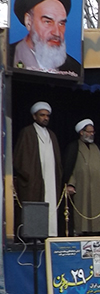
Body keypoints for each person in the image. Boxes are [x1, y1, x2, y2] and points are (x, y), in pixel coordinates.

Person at [9, 0, 80, 76]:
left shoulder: (75, 69)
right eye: (48, 22)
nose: (56, 32)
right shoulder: (7, 58)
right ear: (29, 21)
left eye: (61, 23)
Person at [13, 101, 63, 237]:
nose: (45, 118)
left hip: (50, 178)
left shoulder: (52, 135)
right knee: (34, 203)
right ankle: (33, 236)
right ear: (34, 116)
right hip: (34, 179)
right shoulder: (27, 132)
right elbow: (19, 158)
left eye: (47, 116)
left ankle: (49, 234)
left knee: (50, 202)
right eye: (42, 115)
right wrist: (29, 175)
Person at [62, 119, 100, 236]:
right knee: (81, 208)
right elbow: (69, 166)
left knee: (97, 208)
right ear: (81, 132)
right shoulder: (74, 147)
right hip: (81, 185)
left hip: (97, 186)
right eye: (89, 132)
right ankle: (80, 231)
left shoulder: (97, 148)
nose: (91, 134)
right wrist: (70, 183)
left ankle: (97, 230)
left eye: (93, 132)